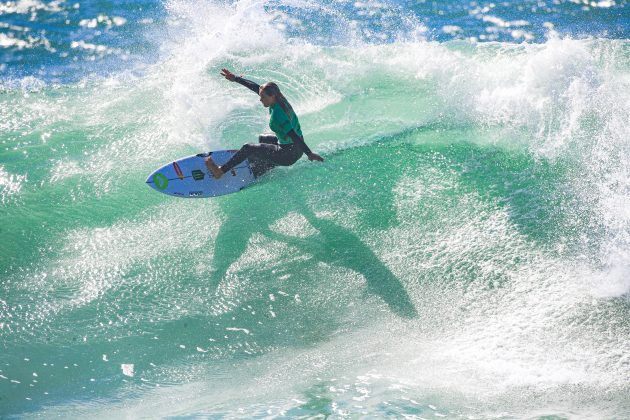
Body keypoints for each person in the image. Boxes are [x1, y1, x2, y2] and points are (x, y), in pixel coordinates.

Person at [204, 68, 324, 179]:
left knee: (248, 148)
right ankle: (265, 167)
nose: (260, 99)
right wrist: (235, 78)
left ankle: (220, 171)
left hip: (288, 154)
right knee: (263, 138)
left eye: (263, 97)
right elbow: (255, 87)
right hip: (293, 148)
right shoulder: (279, 100)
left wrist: (309, 153)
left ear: (272, 96)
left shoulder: (278, 114)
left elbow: (294, 136)